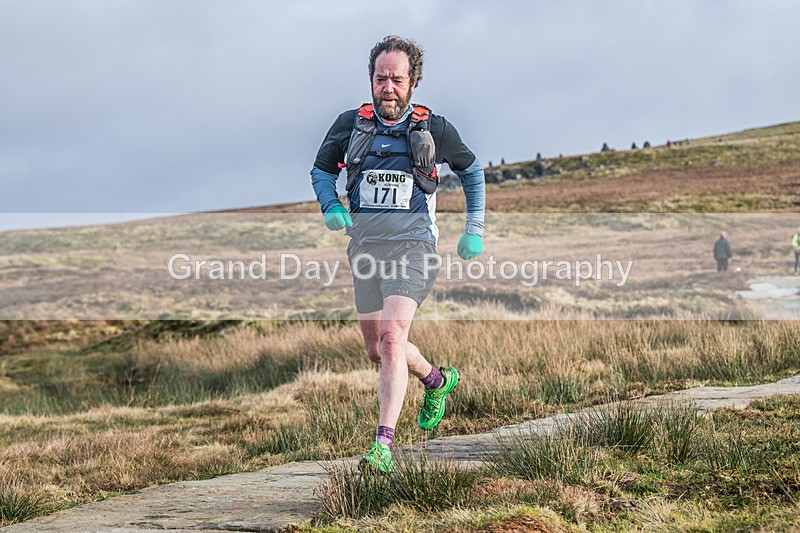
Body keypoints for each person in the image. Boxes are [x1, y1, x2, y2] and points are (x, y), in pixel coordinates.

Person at [310, 36, 486, 473]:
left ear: (413, 83)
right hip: (365, 249)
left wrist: (474, 231)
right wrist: (331, 205)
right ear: (371, 79)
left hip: (414, 248)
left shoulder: (434, 129)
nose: (388, 87)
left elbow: (472, 171)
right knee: (378, 349)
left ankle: (382, 446)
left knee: (392, 337)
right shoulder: (351, 124)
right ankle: (436, 380)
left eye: (397, 79)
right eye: (380, 78)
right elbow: (320, 169)